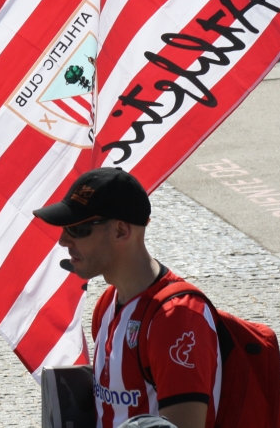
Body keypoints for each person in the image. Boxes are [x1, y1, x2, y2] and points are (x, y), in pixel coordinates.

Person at [32, 168, 221, 428]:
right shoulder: (108, 303)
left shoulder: (177, 318)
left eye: (78, 229)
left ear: (121, 231)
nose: (64, 240)